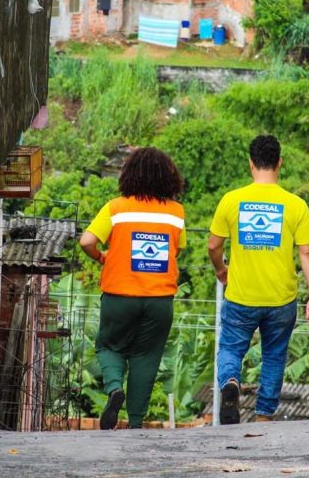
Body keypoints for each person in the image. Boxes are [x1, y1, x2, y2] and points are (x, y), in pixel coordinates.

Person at [208, 135, 309, 424]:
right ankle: (263, 418)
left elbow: (213, 246)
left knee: (231, 349)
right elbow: (307, 253)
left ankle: (230, 382)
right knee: (274, 356)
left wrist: (221, 270)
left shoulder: (232, 200)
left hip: (240, 296)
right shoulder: (295, 204)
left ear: (250, 164)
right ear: (279, 163)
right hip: (281, 299)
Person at [80, 147, 186, 430]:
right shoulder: (176, 213)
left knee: (108, 346)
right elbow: (177, 250)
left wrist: (103, 258)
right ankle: (135, 424)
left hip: (119, 296)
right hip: (159, 300)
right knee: (146, 358)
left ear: (128, 176)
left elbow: (86, 241)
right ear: (169, 178)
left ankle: (115, 388)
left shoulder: (117, 208)